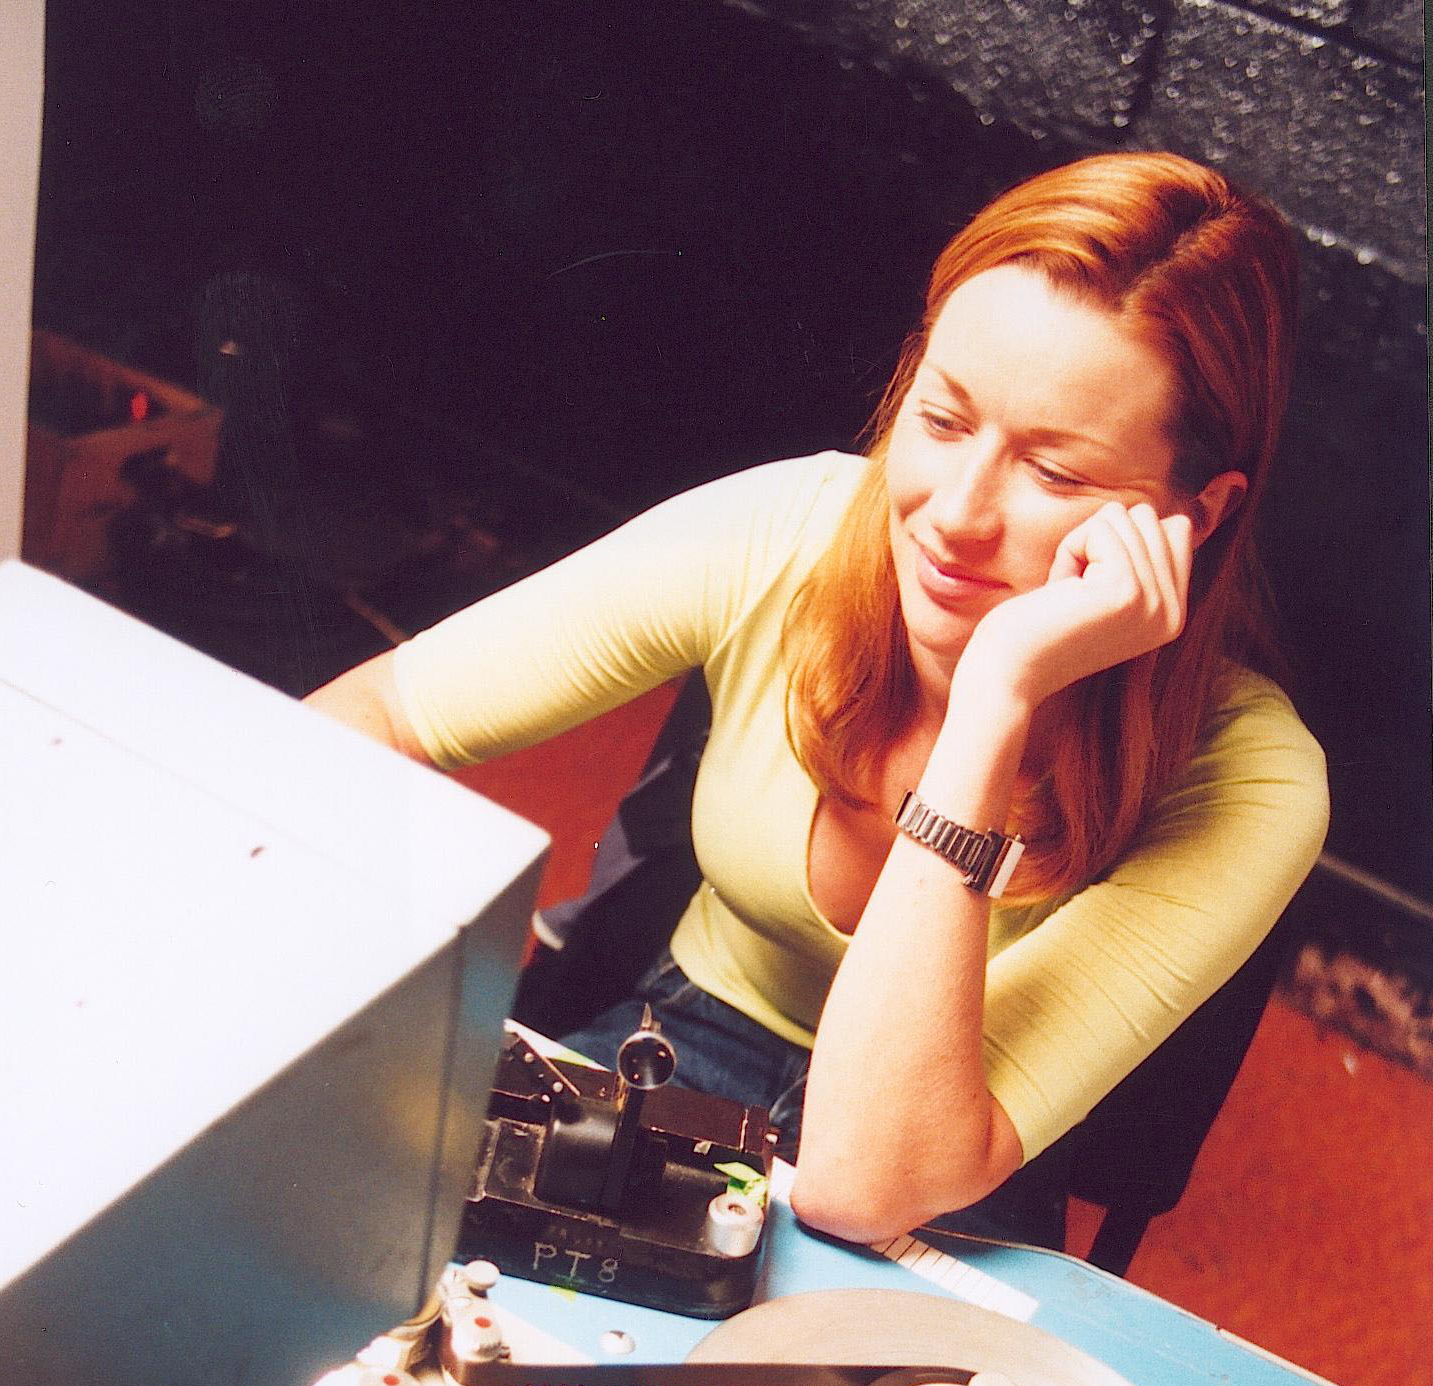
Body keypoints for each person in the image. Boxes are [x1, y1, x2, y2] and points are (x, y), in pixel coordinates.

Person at [309, 151, 1328, 1249]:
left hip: (938, 1153)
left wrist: (995, 699)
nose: (954, 516)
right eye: (943, 420)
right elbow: (364, 720)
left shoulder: (1256, 781)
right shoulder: (785, 531)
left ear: (1195, 515)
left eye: (1055, 474)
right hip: (679, 1041)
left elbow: (864, 1183)